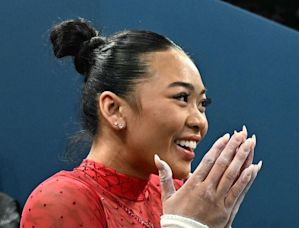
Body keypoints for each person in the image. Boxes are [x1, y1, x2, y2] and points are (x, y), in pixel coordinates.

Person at [20, 18, 261, 228]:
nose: (200, 121)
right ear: (114, 109)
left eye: (202, 104)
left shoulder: (177, 194)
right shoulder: (59, 199)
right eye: (181, 97)